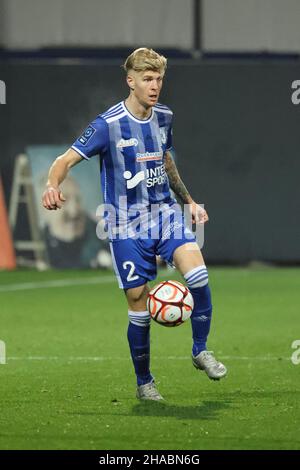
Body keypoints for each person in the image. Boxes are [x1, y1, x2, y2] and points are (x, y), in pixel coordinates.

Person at [42, 47, 227, 401]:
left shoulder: (165, 116)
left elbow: (166, 160)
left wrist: (187, 201)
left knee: (199, 275)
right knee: (138, 302)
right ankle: (145, 382)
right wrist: (52, 185)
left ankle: (200, 349)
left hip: (164, 214)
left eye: (159, 78)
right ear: (131, 81)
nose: (155, 86)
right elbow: (63, 161)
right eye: (147, 79)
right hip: (125, 225)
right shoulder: (107, 125)